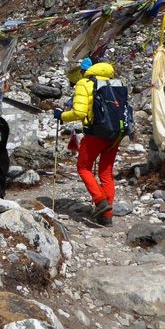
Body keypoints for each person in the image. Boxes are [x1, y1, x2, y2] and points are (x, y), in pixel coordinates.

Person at [54, 57, 119, 226]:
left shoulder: (84, 84)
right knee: (106, 173)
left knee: (83, 168)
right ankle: (106, 216)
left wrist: (61, 116)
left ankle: (100, 201)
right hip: (116, 134)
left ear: (84, 72)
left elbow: (79, 113)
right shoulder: (115, 83)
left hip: (95, 133)